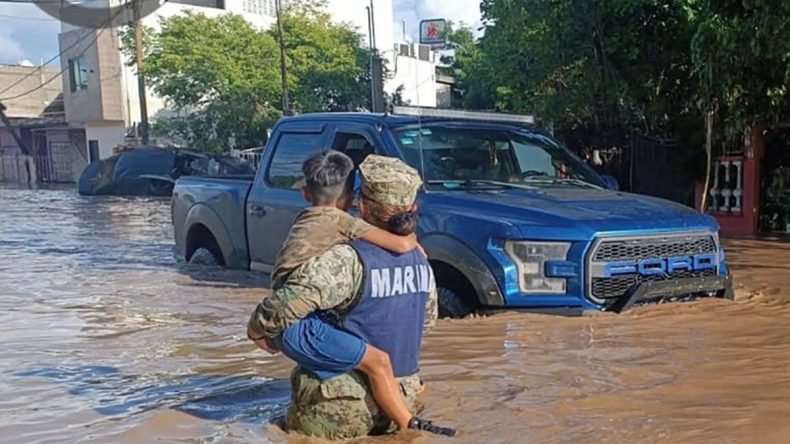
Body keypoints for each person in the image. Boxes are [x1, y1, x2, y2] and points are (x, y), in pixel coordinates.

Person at [247, 154, 455, 439]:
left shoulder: (345, 258)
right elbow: (426, 320)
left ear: (362, 205)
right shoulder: (421, 261)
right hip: (402, 398)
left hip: (340, 409)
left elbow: (285, 305)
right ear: (414, 207)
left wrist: (257, 331)